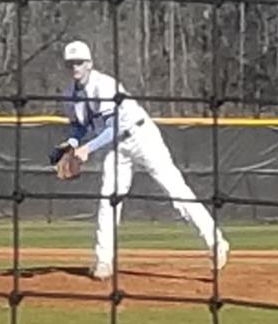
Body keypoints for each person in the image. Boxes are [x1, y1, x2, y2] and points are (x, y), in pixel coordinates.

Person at [56, 39, 229, 280]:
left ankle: (216, 242)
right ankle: (104, 260)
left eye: (80, 62)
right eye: (71, 63)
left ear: (90, 63)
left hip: (141, 136)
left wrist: (88, 148)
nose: (75, 67)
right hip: (116, 147)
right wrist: (73, 143)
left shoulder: (103, 85)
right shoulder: (69, 94)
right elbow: (79, 126)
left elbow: (114, 126)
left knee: (176, 191)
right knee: (108, 199)